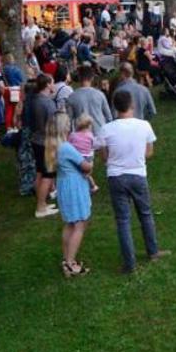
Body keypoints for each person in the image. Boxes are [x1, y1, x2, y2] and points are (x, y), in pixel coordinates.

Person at [102, 88, 166, 274]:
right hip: (138, 174)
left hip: (116, 177)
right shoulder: (144, 125)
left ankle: (129, 263)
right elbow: (149, 152)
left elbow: (104, 156)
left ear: (114, 107)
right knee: (145, 214)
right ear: (132, 105)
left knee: (123, 220)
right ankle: (152, 251)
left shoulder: (107, 129)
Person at [49, 111, 94, 276]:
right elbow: (86, 166)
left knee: (70, 223)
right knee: (80, 224)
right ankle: (70, 264)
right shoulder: (66, 147)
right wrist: (90, 160)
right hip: (74, 186)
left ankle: (67, 259)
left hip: (64, 184)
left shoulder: (54, 146)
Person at [23, 72, 58, 217]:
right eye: (52, 82)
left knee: (39, 173)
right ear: (48, 84)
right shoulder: (47, 102)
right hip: (46, 142)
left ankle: (42, 203)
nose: (54, 84)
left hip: (36, 139)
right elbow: (53, 125)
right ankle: (40, 207)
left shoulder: (33, 100)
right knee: (48, 175)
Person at [67, 65, 112, 133]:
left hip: (81, 136)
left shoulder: (71, 97)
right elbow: (109, 117)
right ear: (92, 78)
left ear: (79, 78)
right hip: (99, 134)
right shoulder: (100, 95)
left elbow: (68, 121)